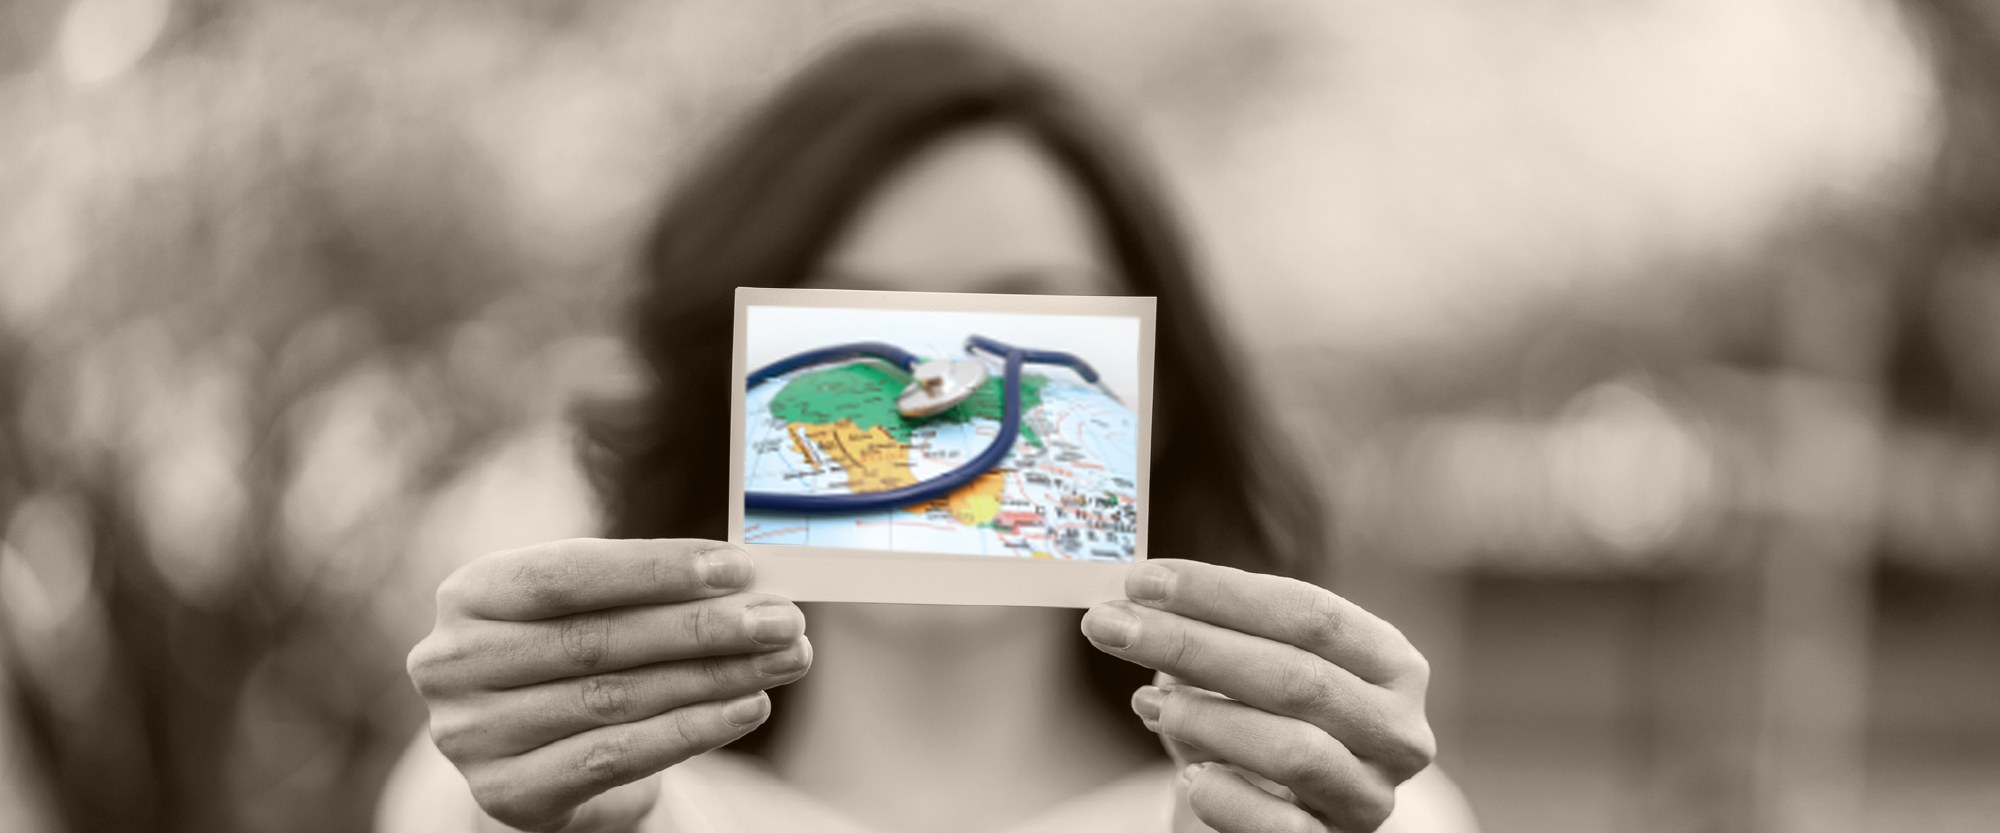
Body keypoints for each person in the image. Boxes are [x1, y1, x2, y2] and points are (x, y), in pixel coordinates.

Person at [383, 22, 1477, 833]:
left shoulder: (1349, 810)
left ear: (1158, 393)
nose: (937, 388)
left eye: (1031, 318)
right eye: (854, 325)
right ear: (730, 383)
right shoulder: (510, 799)